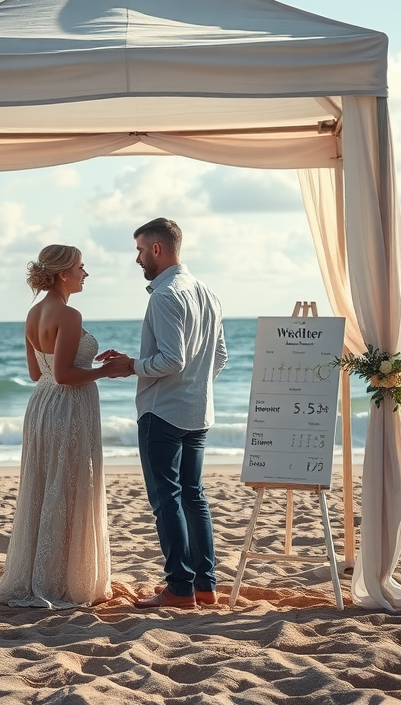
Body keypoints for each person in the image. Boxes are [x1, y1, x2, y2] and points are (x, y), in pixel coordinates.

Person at [0, 244, 129, 609]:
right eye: (81, 267)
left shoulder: (33, 313)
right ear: (64, 273)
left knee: (47, 484)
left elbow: (38, 373)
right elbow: (64, 376)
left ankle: (41, 573)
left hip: (42, 407)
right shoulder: (70, 314)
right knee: (71, 484)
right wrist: (103, 371)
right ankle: (64, 579)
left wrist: (86, 362)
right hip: (70, 407)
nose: (85, 273)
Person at [97, 218, 227, 610]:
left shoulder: (165, 295)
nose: (137, 258)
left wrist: (132, 365)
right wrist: (194, 383)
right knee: (194, 497)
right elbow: (219, 357)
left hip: (163, 413)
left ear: (157, 249)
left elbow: (172, 359)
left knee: (167, 500)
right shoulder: (207, 293)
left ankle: (179, 589)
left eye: (139, 250)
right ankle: (205, 586)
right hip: (198, 410)